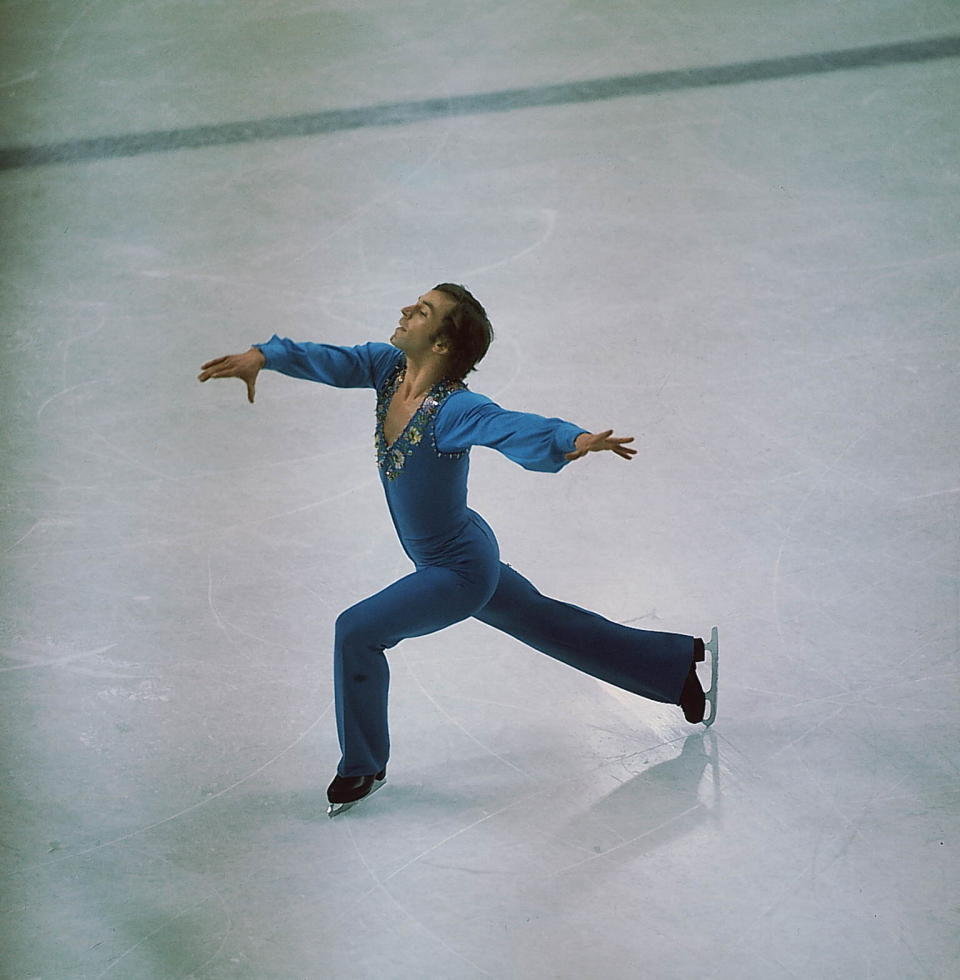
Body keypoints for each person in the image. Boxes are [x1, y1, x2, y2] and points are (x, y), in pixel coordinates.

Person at [198, 283, 716, 816]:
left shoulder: (455, 409)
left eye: (421, 312)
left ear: (443, 345)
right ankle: (674, 664)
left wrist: (572, 439)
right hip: (461, 551)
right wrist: (266, 355)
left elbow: (507, 425)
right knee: (548, 624)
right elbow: (338, 360)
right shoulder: (387, 370)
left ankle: (363, 765)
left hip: (459, 570)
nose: (404, 311)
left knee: (356, 631)